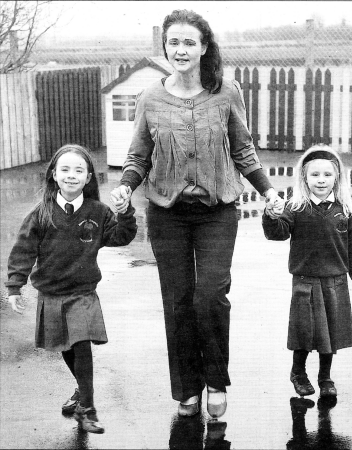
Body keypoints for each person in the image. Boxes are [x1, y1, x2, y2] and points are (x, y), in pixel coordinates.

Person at [111, 9, 284, 418]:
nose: (181, 49)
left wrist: (268, 191)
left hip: (216, 211)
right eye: (174, 42)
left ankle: (216, 381)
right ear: (165, 47)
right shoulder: (151, 97)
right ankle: (186, 387)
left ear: (204, 47)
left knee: (210, 297)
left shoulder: (226, 91)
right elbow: (138, 155)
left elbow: (243, 149)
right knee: (178, 300)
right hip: (167, 213)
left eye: (190, 41)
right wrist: (124, 186)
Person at [5, 144, 137, 434]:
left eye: (79, 170)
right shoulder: (40, 214)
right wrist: (14, 287)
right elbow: (23, 251)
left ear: (89, 177)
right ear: (54, 174)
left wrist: (125, 213)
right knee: (66, 347)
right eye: (65, 170)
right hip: (51, 294)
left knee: (81, 344)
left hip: (82, 293)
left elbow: (121, 237)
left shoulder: (98, 212)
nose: (71, 176)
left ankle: (88, 409)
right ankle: (82, 392)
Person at [262, 144, 352, 399]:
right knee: (304, 331)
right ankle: (298, 372)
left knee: (330, 333)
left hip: (335, 282)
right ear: (304, 178)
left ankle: (325, 377)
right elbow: (278, 233)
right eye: (314, 174)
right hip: (305, 282)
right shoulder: (295, 208)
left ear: (337, 177)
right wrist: (271, 216)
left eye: (327, 175)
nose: (321, 180)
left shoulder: (346, 212)